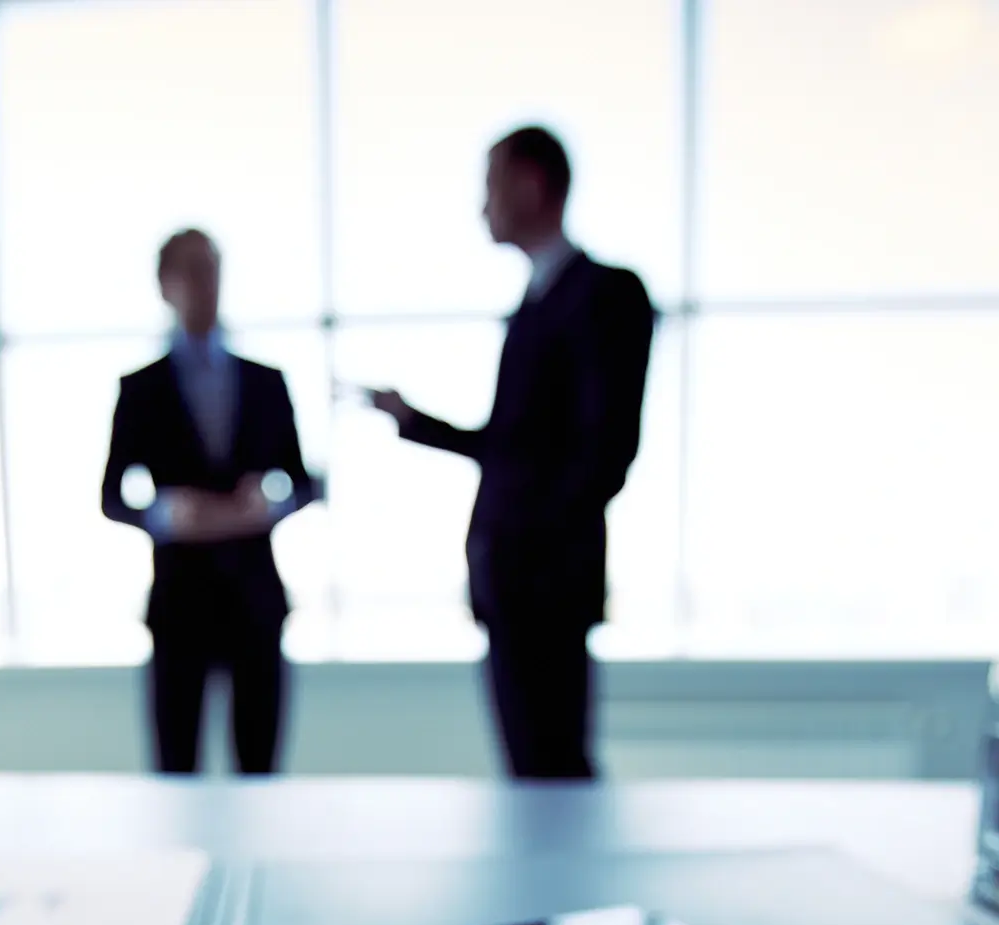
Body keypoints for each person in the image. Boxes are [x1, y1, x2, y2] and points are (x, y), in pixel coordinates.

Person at [364, 126, 654, 780]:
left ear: (530, 184)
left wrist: (532, 544)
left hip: (547, 578)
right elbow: (512, 447)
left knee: (554, 769)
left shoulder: (605, 295)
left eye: (490, 185)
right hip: (511, 579)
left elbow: (606, 452)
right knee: (530, 768)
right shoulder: (534, 304)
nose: (482, 206)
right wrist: (413, 421)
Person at [101, 229, 320, 774]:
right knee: (176, 770)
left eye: (213, 267)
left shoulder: (266, 381)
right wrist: (167, 516)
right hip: (180, 605)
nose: (207, 282)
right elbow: (111, 497)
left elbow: (304, 482)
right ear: (165, 283)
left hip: (255, 602)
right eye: (194, 270)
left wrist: (269, 504)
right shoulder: (140, 389)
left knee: (261, 770)